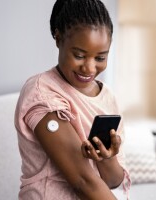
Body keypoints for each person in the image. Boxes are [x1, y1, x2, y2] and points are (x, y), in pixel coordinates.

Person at [14, 0, 131, 199]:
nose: (89, 68)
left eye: (100, 58)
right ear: (58, 39)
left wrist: (106, 158)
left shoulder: (108, 98)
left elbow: (112, 181)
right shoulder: (42, 92)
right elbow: (82, 181)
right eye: (79, 55)